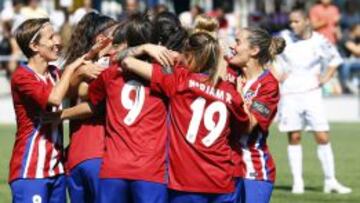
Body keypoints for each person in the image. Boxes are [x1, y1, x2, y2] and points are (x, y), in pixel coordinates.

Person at [120, 33, 249, 202]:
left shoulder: (179, 80)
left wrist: (147, 48)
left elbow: (127, 61)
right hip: (222, 178)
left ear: (189, 55)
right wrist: (238, 91)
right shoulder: (229, 91)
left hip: (187, 181)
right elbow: (244, 125)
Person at [62, 14, 170, 203]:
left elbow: (80, 92)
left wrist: (78, 70)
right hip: (145, 168)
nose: (115, 42)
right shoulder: (166, 74)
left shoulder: (109, 71)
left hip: (109, 166)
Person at [8, 18, 88, 203]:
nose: (58, 42)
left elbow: (80, 89)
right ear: (34, 46)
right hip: (31, 171)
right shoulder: (22, 77)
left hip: (57, 171)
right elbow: (55, 98)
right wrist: (70, 69)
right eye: (51, 37)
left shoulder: (54, 73)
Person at [273, 8, 352, 194]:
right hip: (290, 93)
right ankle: (297, 182)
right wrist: (276, 73)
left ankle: (330, 181)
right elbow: (267, 54)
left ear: (307, 21)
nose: (292, 25)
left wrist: (326, 77)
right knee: (294, 137)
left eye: (296, 21)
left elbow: (335, 59)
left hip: (312, 95)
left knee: (322, 136)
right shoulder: (284, 37)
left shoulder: (319, 40)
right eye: (290, 22)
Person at [62, 12, 117, 203]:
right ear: (102, 39)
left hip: (75, 157)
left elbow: (70, 93)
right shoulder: (111, 63)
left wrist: (61, 114)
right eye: (116, 33)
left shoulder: (74, 66)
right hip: (101, 154)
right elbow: (96, 104)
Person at [228, 27, 285, 203]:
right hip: (225, 166)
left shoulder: (268, 85)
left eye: (238, 42)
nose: (233, 46)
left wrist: (236, 94)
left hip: (253, 170)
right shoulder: (229, 73)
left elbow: (250, 124)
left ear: (254, 50)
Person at [338, 23, 360, 94]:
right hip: (342, 61)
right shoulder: (345, 37)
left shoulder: (357, 39)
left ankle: (355, 84)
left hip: (353, 61)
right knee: (346, 64)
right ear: (355, 30)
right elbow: (356, 51)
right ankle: (345, 85)